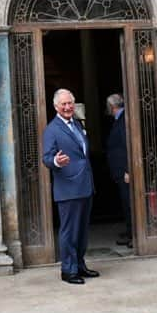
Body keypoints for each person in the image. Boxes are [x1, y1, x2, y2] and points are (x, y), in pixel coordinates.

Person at [41, 88, 100, 285]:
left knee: (82, 231)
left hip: (85, 185)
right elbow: (47, 158)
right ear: (56, 106)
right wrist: (56, 162)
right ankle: (68, 270)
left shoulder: (77, 124)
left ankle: (80, 266)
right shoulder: (52, 129)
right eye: (63, 104)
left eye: (70, 103)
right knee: (69, 231)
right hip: (68, 188)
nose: (67, 107)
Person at [105, 93, 132, 247]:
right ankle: (130, 231)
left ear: (112, 107)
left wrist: (128, 169)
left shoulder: (123, 120)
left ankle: (133, 235)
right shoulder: (119, 120)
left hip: (125, 171)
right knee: (125, 202)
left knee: (129, 203)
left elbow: (128, 145)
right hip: (120, 171)